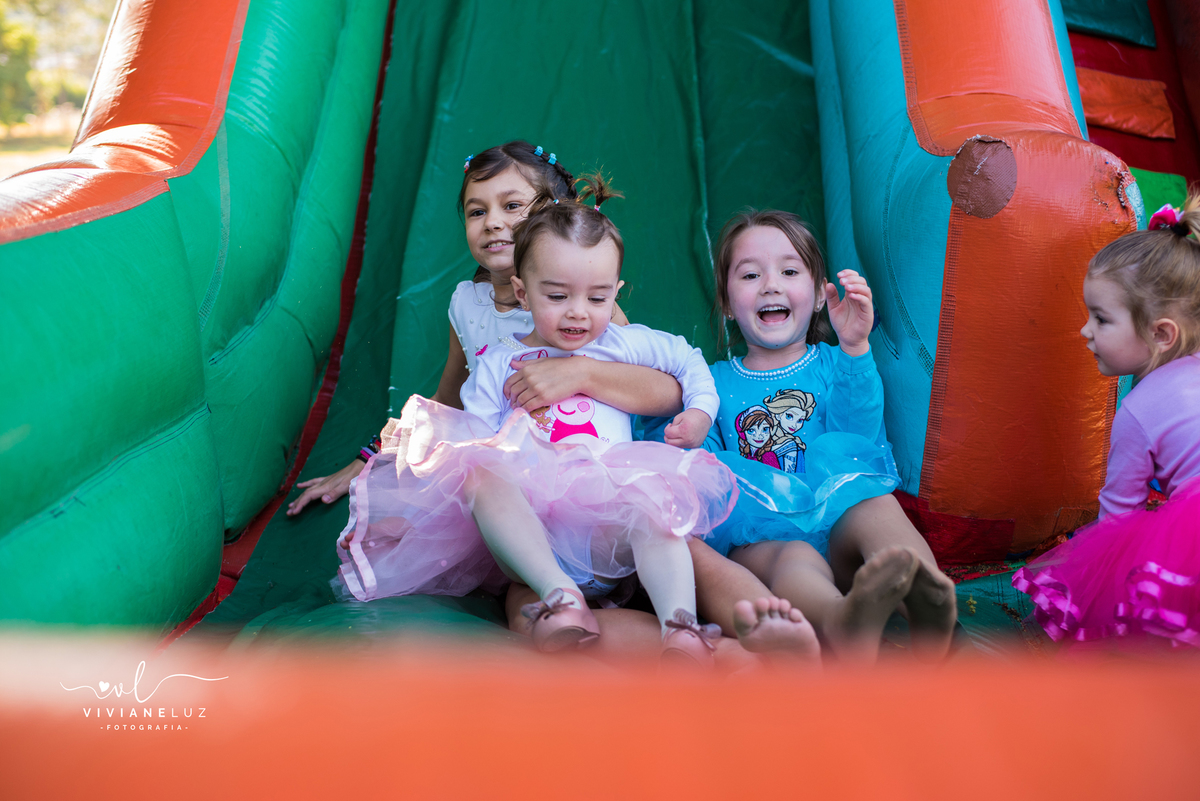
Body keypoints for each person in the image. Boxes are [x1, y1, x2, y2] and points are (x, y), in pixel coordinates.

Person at [336, 181, 819, 667]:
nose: (577, 313)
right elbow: (472, 441)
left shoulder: (619, 344)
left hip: (611, 526)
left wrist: (698, 413)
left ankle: (682, 627)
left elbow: (687, 360)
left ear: (616, 293)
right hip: (535, 539)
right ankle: (562, 596)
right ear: (523, 292)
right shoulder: (499, 363)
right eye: (558, 296)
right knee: (481, 476)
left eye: (596, 298)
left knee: (656, 503)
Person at [285, 141, 682, 517]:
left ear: (556, 214)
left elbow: (666, 393)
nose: (492, 222)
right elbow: (447, 400)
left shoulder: (581, 312)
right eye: (476, 212)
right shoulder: (467, 305)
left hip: (591, 474)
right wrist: (367, 459)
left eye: (511, 205)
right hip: (513, 486)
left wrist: (581, 372)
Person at [667, 209, 958, 662]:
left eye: (789, 270)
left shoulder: (833, 363)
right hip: (766, 538)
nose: (771, 284)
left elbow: (858, 442)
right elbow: (703, 469)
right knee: (793, 557)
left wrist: (856, 348)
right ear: (725, 301)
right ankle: (842, 620)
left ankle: (930, 599)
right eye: (749, 274)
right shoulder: (712, 380)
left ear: (821, 296)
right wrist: (689, 436)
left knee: (874, 504)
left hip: (841, 530)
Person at [1013, 196, 1200, 646]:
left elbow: (1117, 521)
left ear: (1160, 334)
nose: (1085, 331)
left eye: (1101, 318)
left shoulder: (1139, 410)